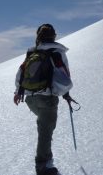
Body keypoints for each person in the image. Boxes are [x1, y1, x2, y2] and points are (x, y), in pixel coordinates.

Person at [14, 24, 74, 175]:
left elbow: (20, 73)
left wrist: (18, 92)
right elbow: (64, 77)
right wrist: (65, 93)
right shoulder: (56, 52)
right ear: (53, 36)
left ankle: (46, 156)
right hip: (47, 98)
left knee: (44, 128)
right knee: (45, 132)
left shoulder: (32, 52)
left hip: (30, 99)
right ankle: (42, 166)